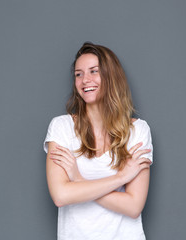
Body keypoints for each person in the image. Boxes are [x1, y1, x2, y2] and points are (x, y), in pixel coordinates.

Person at [43, 42, 153, 240]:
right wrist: (120, 179)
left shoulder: (138, 131)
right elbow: (61, 196)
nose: (85, 80)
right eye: (79, 74)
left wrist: (78, 181)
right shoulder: (61, 127)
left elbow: (133, 206)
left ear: (111, 76)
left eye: (94, 71)